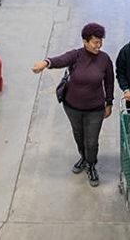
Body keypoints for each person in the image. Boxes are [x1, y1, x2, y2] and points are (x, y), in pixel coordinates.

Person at [31, 23, 114, 187]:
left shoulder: (105, 59)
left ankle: (91, 164)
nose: (99, 45)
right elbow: (61, 59)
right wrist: (45, 63)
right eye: (95, 42)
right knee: (79, 136)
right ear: (85, 41)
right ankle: (83, 157)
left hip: (95, 109)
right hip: (72, 107)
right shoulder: (76, 55)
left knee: (92, 141)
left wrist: (109, 102)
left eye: (100, 42)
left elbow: (109, 82)